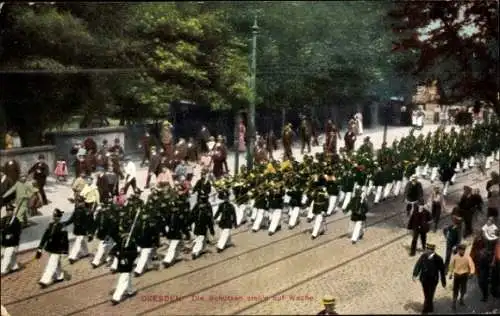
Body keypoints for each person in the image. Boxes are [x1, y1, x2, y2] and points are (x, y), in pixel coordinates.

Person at [36, 208, 69, 288]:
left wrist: (65, 251)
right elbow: (45, 237)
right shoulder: (50, 225)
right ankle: (59, 276)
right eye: (54, 216)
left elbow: (65, 239)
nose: (55, 218)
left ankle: (45, 280)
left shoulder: (62, 226)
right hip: (50, 248)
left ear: (60, 217)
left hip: (57, 249)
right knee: (55, 263)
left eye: (57, 216)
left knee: (51, 264)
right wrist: (40, 248)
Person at [412, 243, 447, 314]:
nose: (427, 250)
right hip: (424, 280)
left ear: (432, 250)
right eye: (427, 249)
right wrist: (415, 274)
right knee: (427, 294)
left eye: (429, 249)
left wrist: (443, 281)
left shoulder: (438, 259)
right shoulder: (423, 256)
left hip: (433, 280)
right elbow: (418, 265)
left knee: (429, 295)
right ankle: (430, 307)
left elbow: (442, 271)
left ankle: (425, 311)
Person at [110, 233, 138, 305]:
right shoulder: (120, 243)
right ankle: (125, 293)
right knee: (125, 279)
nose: (125, 237)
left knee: (124, 279)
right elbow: (112, 251)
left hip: (127, 264)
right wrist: (119, 254)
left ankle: (120, 295)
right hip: (121, 264)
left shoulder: (132, 243)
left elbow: (135, 253)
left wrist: (126, 254)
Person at [64, 197, 93, 264]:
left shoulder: (88, 211)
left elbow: (91, 223)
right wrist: (64, 224)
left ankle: (72, 257)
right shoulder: (76, 210)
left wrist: (91, 233)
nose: (79, 203)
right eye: (78, 202)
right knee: (81, 241)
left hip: (84, 230)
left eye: (81, 202)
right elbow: (71, 219)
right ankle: (86, 252)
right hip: (77, 230)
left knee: (78, 242)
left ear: (83, 202)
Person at [448, 244, 475, 310]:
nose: (462, 251)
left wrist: (472, 272)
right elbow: (451, 265)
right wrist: (451, 273)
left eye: (463, 250)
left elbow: (472, 264)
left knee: (463, 289)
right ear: (458, 250)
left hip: (464, 275)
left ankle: (461, 299)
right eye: (461, 250)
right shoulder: (455, 257)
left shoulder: (467, 257)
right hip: (457, 275)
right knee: (455, 289)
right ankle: (454, 303)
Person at [0, 205, 22, 276]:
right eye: (8, 210)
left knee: (6, 256)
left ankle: (2, 270)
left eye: (10, 210)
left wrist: (16, 244)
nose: (9, 212)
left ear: (13, 211)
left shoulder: (16, 220)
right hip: (5, 242)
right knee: (11, 255)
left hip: (12, 242)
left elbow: (18, 233)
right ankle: (14, 267)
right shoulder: (3, 219)